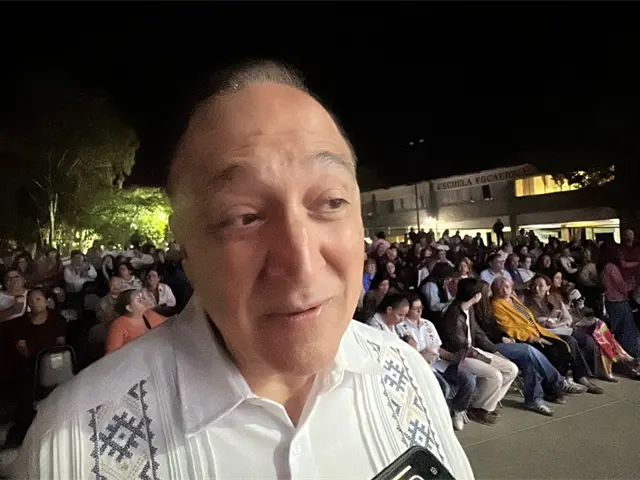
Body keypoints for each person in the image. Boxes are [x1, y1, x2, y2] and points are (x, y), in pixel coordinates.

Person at [14, 61, 473, 479]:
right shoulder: (75, 447)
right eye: (244, 217)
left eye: (332, 202)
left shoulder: (408, 375)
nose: (302, 262)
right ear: (184, 245)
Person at [440, 277, 518, 425]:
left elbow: (478, 332)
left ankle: (487, 405)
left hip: (473, 351)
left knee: (511, 369)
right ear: (475, 295)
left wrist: (494, 351)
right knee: (495, 375)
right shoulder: (453, 315)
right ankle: (478, 409)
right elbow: (460, 346)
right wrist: (486, 359)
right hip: (460, 357)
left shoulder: (469, 308)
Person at [403, 292, 477, 431]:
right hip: (423, 366)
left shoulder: (427, 324)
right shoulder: (402, 327)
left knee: (469, 379)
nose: (419, 311)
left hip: (439, 363)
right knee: (444, 387)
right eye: (415, 308)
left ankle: (457, 410)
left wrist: (454, 357)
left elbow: (437, 348)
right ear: (407, 309)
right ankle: (438, 418)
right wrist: (422, 355)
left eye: (421, 308)